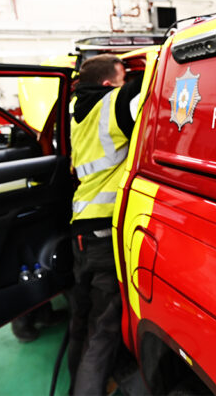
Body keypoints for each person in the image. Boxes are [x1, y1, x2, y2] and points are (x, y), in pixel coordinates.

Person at [67, 54, 142, 396]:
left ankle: (75, 385)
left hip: (80, 230)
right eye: (124, 77)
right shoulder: (112, 104)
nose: (128, 82)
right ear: (109, 85)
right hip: (102, 234)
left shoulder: (74, 111)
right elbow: (153, 87)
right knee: (103, 331)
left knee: (81, 322)